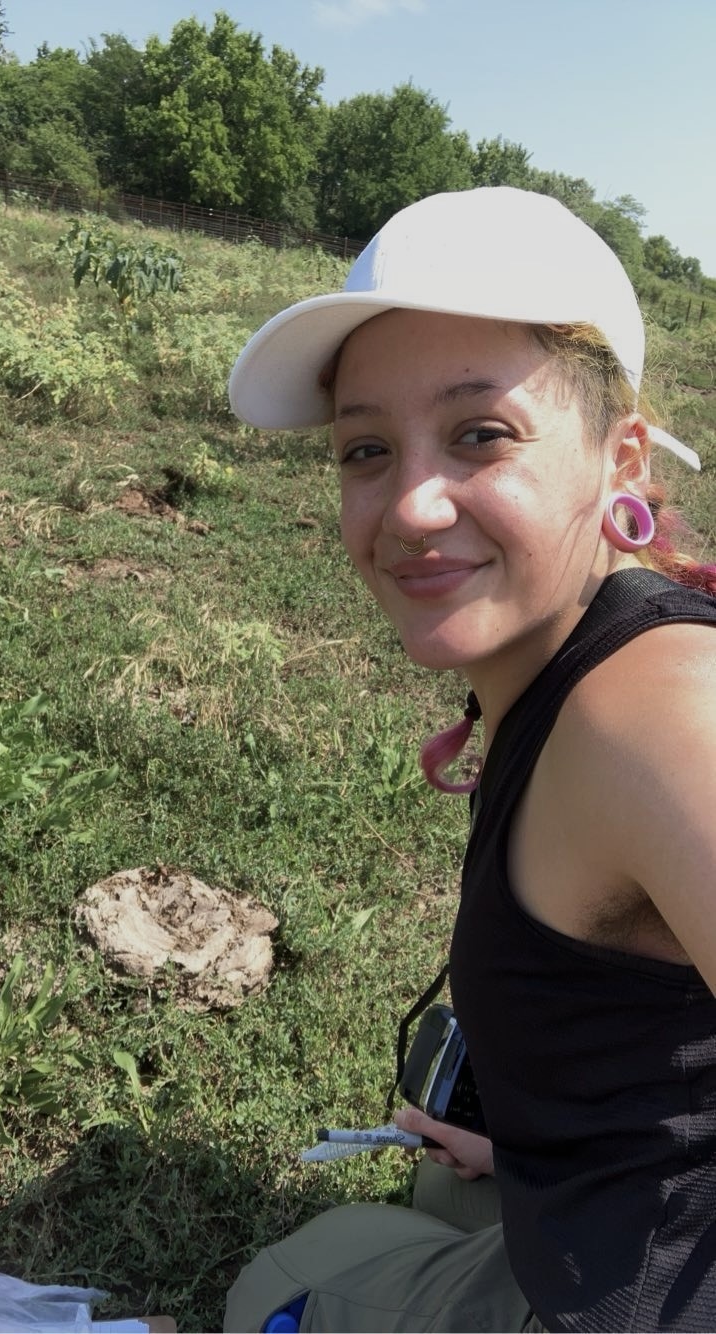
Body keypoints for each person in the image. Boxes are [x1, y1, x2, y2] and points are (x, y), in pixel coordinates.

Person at [223, 188, 716, 1332]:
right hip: (612, 1196)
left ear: (620, 458)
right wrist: (566, 1138)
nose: (411, 501)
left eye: (481, 432)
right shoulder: (581, 665)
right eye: (365, 447)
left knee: (284, 1279)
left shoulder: (651, 716)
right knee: (440, 1178)